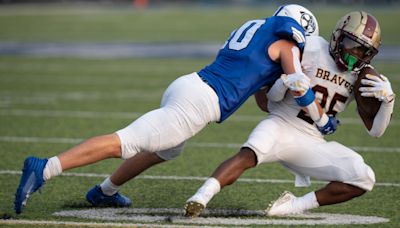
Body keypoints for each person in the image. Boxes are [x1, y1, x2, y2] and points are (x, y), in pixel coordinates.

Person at [14, 4, 333, 214]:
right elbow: (299, 85)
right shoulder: (288, 43)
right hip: (199, 102)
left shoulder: (255, 28)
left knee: (166, 150)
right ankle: (44, 167)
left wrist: (275, 88)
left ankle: (105, 191)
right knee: (127, 141)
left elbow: (262, 98)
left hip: (190, 84)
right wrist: (321, 120)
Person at [184, 11, 395, 217]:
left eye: (362, 51)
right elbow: (270, 100)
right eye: (352, 45)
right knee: (249, 153)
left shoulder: (364, 77)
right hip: (280, 124)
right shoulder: (312, 47)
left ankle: (293, 205)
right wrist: (283, 83)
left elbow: (376, 131)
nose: (354, 54)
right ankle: (201, 196)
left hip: (312, 141)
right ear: (338, 36)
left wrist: (388, 101)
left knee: (364, 177)